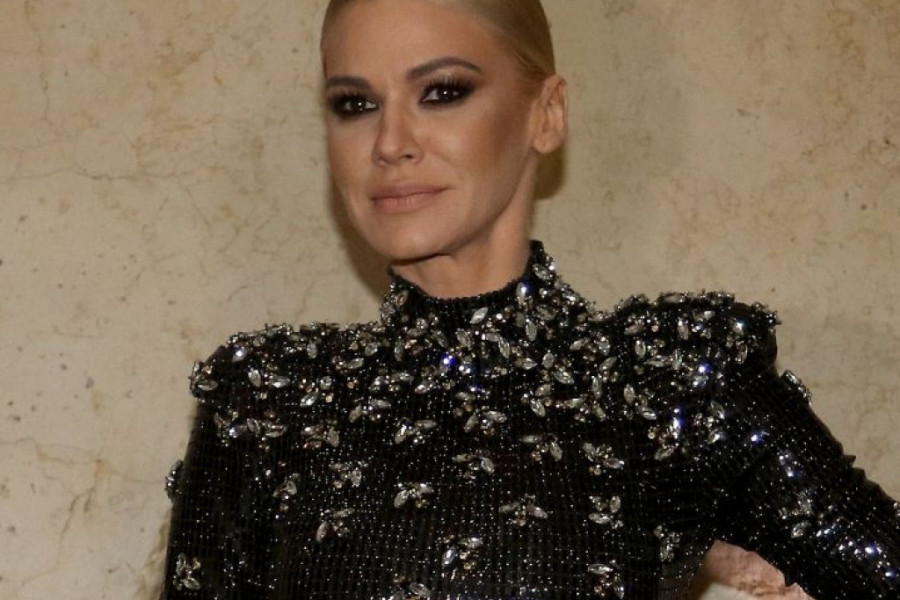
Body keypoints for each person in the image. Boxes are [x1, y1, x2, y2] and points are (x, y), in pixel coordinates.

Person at [160, 0, 900, 598]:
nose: (390, 142)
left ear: (546, 113)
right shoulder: (269, 403)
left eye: (442, 92)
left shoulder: (666, 386)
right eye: (354, 104)